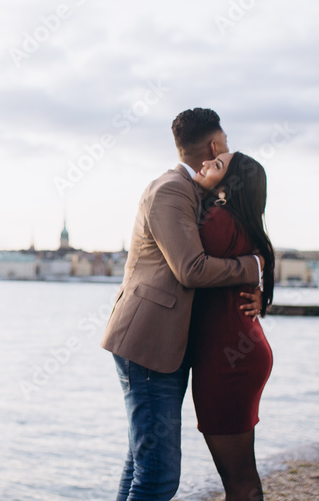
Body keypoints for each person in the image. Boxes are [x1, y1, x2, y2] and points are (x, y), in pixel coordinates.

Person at [100, 108, 264, 500]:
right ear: (215, 145)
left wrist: (258, 283)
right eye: (225, 147)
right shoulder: (171, 190)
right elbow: (191, 269)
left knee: (142, 465)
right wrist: (252, 267)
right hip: (148, 345)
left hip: (167, 347)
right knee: (158, 477)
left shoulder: (198, 195)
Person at [188, 151, 275, 501]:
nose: (206, 165)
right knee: (240, 473)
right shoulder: (240, 222)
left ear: (230, 185)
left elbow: (187, 266)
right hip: (240, 350)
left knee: (238, 479)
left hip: (227, 360)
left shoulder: (218, 221)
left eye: (217, 165)